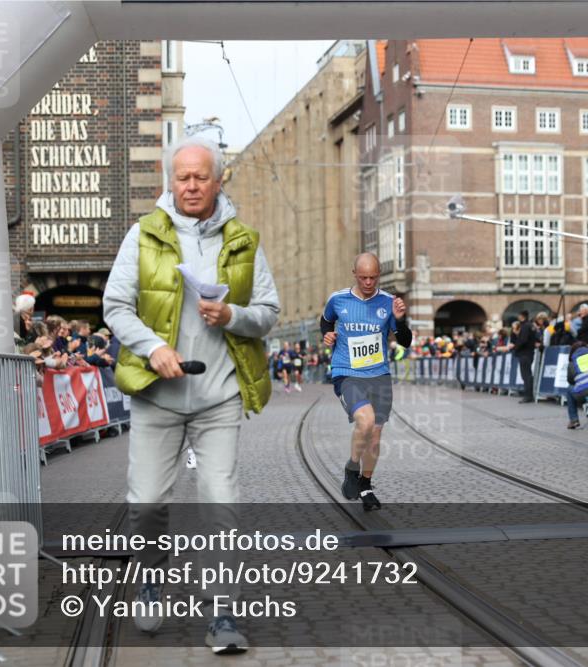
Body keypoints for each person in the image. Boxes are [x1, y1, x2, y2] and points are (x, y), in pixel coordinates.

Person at [103, 134, 279, 652]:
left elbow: (269, 313)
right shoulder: (143, 235)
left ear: (219, 180)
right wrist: (152, 346)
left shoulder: (243, 238)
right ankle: (152, 577)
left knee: (221, 502)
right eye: (183, 176)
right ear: (169, 181)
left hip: (218, 395)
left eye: (202, 175)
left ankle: (222, 613)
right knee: (149, 502)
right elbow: (115, 306)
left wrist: (233, 316)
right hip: (157, 394)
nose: (192, 185)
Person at [321, 253, 412, 510]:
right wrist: (328, 335)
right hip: (347, 372)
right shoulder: (338, 299)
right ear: (354, 274)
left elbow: (405, 341)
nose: (368, 282)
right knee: (366, 420)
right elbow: (326, 321)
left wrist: (401, 320)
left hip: (379, 375)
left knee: (375, 436)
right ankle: (352, 468)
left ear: (378, 276)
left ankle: (365, 484)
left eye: (373, 277)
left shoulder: (388, 302)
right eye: (363, 277)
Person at [511, 310, 537, 403]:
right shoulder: (531, 325)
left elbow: (523, 340)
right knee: (527, 374)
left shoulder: (525, 326)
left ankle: (528, 395)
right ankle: (529, 394)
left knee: (526, 375)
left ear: (522, 316)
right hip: (529, 352)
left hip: (525, 353)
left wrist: (515, 347)